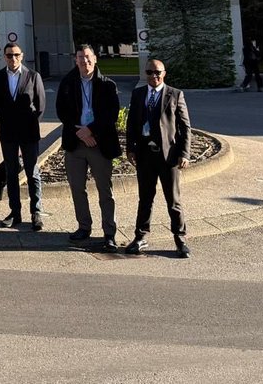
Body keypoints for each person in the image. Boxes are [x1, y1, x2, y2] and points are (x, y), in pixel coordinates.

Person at [56, 45, 122, 250]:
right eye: (80, 58)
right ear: (75, 61)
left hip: (99, 143)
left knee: (105, 190)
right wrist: (80, 132)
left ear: (95, 59)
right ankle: (84, 227)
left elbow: (111, 114)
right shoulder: (67, 83)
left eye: (87, 57)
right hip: (75, 142)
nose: (84, 61)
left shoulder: (107, 85)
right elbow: (61, 111)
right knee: (77, 188)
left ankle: (109, 232)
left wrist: (91, 131)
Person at [125, 57, 192, 258]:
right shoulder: (138, 94)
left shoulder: (175, 94)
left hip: (168, 156)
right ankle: (140, 236)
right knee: (145, 198)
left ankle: (180, 238)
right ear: (145, 74)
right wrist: (130, 148)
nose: (154, 76)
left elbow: (185, 127)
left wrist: (184, 153)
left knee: (173, 200)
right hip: (145, 155)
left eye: (158, 72)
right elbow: (131, 125)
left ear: (164, 74)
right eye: (150, 72)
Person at [0, 42, 47, 231]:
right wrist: (8, 118)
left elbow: (40, 105)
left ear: (21, 56)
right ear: (4, 57)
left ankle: (36, 211)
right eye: (9, 55)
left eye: (15, 55)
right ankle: (15, 212)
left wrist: (28, 122)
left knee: (32, 173)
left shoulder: (32, 76)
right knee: (11, 173)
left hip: (29, 132)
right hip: (8, 132)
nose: (12, 58)